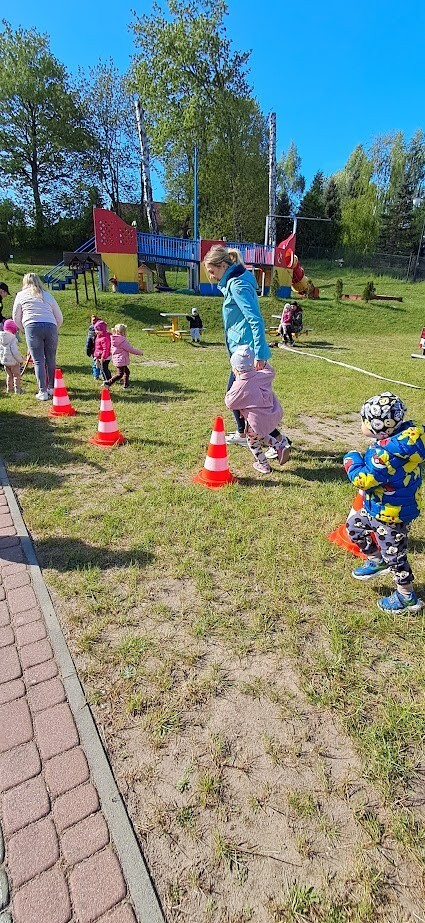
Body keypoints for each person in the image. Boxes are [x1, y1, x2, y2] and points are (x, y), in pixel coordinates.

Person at [343, 392, 425, 614]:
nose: (362, 424)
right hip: (378, 506)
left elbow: (364, 480)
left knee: (395, 556)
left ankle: (407, 596)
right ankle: (375, 559)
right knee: (354, 526)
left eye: (365, 421)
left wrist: (351, 460)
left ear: (379, 427)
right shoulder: (402, 440)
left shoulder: (385, 455)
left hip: (390, 515)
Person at [203, 244, 277, 446]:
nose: (212, 277)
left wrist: (259, 354)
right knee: (245, 397)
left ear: (223, 265)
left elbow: (255, 320)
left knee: (238, 396)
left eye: (212, 271)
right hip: (241, 350)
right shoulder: (234, 283)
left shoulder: (237, 286)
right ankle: (247, 434)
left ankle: (277, 440)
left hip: (247, 352)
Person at [224, 345, 291, 474]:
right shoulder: (262, 376)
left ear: (236, 368)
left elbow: (229, 403)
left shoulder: (241, 384)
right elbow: (271, 371)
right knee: (261, 436)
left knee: (253, 443)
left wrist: (235, 384)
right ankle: (279, 447)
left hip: (255, 422)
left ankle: (263, 464)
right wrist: (263, 364)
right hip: (270, 415)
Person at [12, 273, 63, 401]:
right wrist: (54, 329)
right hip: (51, 325)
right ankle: (52, 388)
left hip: (32, 326)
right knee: (51, 359)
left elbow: (16, 317)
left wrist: (24, 329)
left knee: (38, 360)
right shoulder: (47, 295)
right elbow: (59, 317)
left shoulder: (21, 295)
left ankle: (42, 391)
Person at [106, 324, 143, 389]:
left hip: (117, 359)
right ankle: (108, 383)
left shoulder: (114, 339)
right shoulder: (122, 340)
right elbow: (130, 349)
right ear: (123, 332)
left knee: (127, 372)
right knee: (120, 374)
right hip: (121, 359)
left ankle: (126, 385)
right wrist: (139, 352)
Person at [0, 319, 24, 394]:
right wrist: (20, 360)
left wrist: (2, 360)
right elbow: (15, 352)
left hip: (5, 361)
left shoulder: (1, 338)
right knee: (16, 375)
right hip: (13, 362)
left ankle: (9, 389)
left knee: (9, 375)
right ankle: (17, 389)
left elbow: (1, 351)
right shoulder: (13, 339)